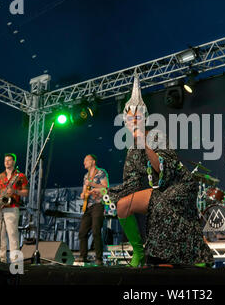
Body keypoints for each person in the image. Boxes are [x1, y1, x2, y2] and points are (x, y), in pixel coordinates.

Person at [106, 73, 214, 267]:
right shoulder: (131, 150)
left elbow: (162, 168)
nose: (133, 122)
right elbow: (131, 183)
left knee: (161, 206)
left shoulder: (156, 136)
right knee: (122, 206)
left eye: (137, 117)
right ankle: (138, 252)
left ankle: (191, 256)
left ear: (144, 118)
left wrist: (144, 142)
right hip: (159, 191)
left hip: (179, 185)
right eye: (129, 119)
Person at [0, 153, 29, 263]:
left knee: (12, 235)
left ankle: (15, 263)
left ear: (14, 162)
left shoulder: (20, 176)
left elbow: (26, 192)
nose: (6, 162)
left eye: (9, 160)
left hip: (12, 207)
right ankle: (0, 260)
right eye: (5, 160)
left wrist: (15, 191)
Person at [78, 154, 109, 265]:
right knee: (82, 232)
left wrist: (92, 184)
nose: (84, 163)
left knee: (96, 231)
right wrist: (83, 194)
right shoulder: (86, 176)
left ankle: (99, 258)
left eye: (86, 160)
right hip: (88, 206)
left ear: (93, 161)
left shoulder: (101, 173)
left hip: (98, 205)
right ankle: (83, 256)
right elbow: (83, 191)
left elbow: (105, 187)